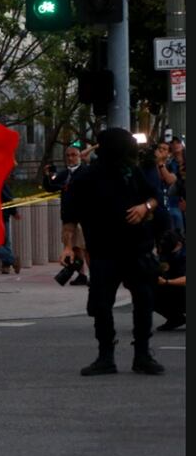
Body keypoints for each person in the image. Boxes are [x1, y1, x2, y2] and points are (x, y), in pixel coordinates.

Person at [61, 127, 164, 376]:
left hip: (136, 249)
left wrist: (144, 207)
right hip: (103, 251)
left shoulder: (132, 172)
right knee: (102, 304)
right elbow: (70, 217)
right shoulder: (86, 178)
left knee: (143, 300)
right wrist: (68, 247)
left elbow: (155, 197)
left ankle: (142, 354)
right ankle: (105, 356)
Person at [43, 143, 90, 285]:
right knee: (73, 246)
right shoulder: (64, 174)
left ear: (80, 156)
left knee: (87, 247)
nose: (70, 158)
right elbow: (50, 187)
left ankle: (94, 275)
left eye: (73, 155)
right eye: (68, 155)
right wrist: (47, 175)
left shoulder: (86, 171)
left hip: (84, 215)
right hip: (68, 216)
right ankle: (81, 275)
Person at [153, 229, 186, 331]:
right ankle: (175, 318)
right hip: (177, 290)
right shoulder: (165, 253)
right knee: (147, 292)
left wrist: (167, 282)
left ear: (179, 245)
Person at [0, 180, 20, 274]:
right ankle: (8, 264)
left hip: (1, 218)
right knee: (4, 243)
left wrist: (14, 212)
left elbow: (8, 199)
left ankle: (10, 262)